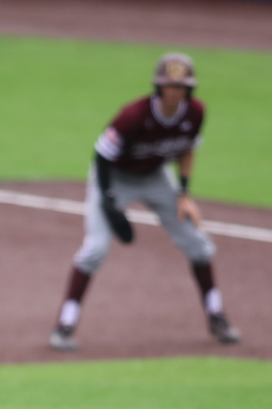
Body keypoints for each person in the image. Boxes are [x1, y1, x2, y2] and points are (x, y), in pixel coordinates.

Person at [49, 52, 241, 351]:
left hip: (156, 178)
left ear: (189, 90)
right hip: (114, 178)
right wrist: (110, 202)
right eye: (169, 85)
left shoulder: (195, 112)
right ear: (159, 87)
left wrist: (184, 193)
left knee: (198, 245)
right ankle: (65, 324)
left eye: (181, 86)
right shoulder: (133, 116)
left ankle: (216, 316)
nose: (175, 91)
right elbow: (101, 156)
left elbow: (187, 149)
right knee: (94, 250)